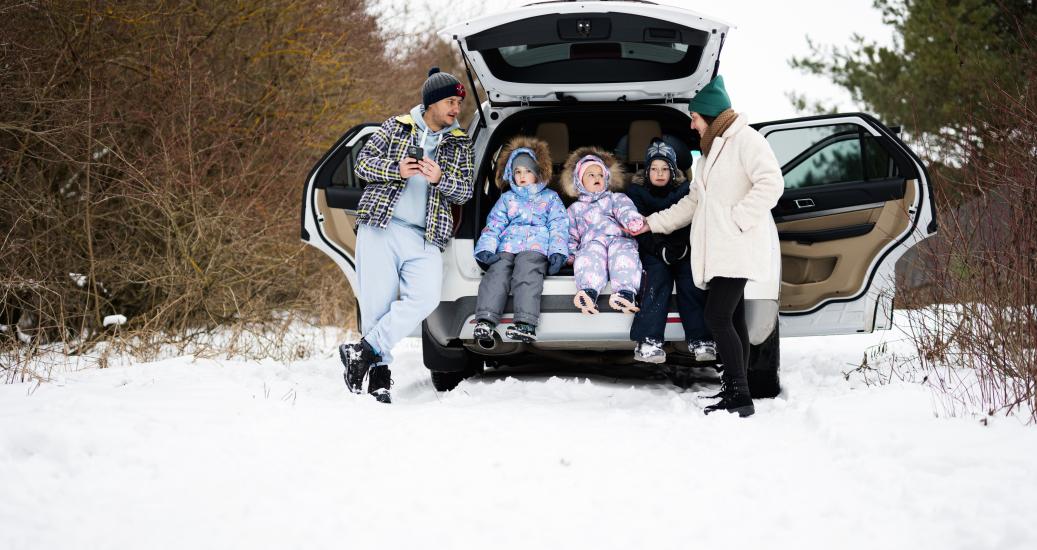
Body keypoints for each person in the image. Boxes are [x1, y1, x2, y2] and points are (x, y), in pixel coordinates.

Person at [628, 75, 783, 417]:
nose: (692, 124)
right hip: (721, 252)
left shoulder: (747, 141)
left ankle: (739, 394)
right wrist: (650, 223)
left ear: (710, 115)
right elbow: (691, 204)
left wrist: (738, 219)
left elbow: (772, 183)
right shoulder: (709, 156)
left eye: (695, 117)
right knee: (735, 319)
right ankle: (735, 391)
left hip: (736, 246)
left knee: (716, 316)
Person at [338, 67, 474, 404]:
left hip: (426, 237)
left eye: (458, 102)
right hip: (381, 226)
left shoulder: (460, 143)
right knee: (377, 307)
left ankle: (363, 350)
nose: (456, 109)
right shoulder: (395, 126)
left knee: (425, 298)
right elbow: (362, 165)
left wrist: (441, 178)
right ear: (430, 103)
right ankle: (378, 379)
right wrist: (396, 169)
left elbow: (465, 191)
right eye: (450, 102)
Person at [626, 138, 715, 364]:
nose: (659, 173)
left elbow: (692, 220)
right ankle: (648, 340)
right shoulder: (636, 192)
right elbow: (638, 227)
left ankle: (701, 339)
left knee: (690, 281)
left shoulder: (686, 191)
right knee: (657, 280)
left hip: (682, 248)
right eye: (654, 169)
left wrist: (683, 247)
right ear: (646, 171)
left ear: (674, 171)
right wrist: (659, 248)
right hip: (653, 250)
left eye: (665, 168)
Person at [472, 137, 569, 344]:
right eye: (517, 172)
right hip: (506, 246)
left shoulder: (551, 198)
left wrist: (557, 252)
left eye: (527, 171)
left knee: (526, 274)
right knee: (496, 273)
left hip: (536, 248)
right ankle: (486, 319)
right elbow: (494, 225)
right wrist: (485, 249)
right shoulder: (507, 199)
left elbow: (559, 226)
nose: (522, 176)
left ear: (538, 173)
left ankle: (525, 323)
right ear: (511, 174)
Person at [561, 147, 645, 315]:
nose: (597, 177)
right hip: (592, 242)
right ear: (579, 181)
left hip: (618, 238)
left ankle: (626, 294)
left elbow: (625, 210)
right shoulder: (575, 209)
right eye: (590, 175)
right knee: (588, 256)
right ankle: (588, 292)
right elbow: (570, 233)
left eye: (600, 175)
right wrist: (570, 251)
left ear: (606, 179)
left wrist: (633, 221)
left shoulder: (615, 198)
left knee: (624, 256)